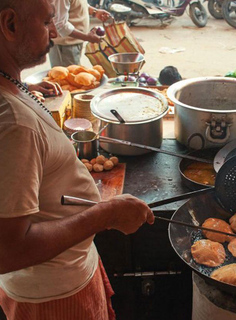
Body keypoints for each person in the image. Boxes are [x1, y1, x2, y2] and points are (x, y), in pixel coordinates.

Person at [0, 1, 154, 319]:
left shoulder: (10, 90)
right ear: (10, 25)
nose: (55, 31)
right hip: (53, 298)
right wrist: (105, 214)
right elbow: (8, 250)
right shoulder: (15, 126)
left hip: (67, 272)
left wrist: (24, 87)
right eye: (46, 22)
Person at [49, 0, 111, 67]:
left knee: (74, 73)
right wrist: (86, 37)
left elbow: (76, 5)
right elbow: (60, 24)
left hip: (74, 42)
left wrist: (94, 12)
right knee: (67, 75)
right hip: (64, 47)